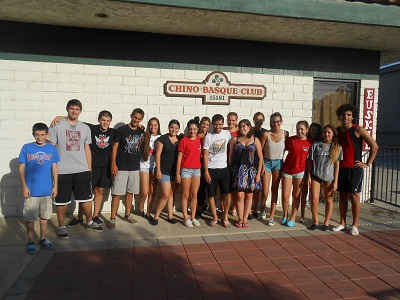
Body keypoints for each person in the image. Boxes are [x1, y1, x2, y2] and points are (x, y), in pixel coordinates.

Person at [49, 99, 103, 239]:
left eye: (77, 109)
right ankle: (61, 227)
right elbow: (50, 147)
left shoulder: (85, 128)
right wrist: (52, 167)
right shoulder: (57, 125)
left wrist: (89, 168)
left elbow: (87, 148)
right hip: (62, 170)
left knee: (86, 198)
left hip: (81, 170)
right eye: (72, 109)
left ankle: (90, 221)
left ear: (80, 111)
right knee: (62, 201)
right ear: (67, 109)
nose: (74, 111)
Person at [53, 111, 116, 226]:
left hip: (105, 166)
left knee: (100, 191)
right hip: (90, 165)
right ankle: (80, 217)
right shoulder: (90, 128)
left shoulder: (113, 132)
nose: (105, 123)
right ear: (98, 120)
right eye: (103, 120)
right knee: (85, 193)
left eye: (108, 121)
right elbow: (73, 119)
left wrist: (141, 126)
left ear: (111, 121)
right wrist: (59, 116)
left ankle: (95, 216)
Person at [333, 104, 379, 236]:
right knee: (341, 196)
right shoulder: (337, 131)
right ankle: (342, 223)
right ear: (340, 116)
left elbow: (374, 146)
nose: (346, 117)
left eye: (348, 115)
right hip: (341, 168)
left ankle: (355, 225)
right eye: (343, 115)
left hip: (354, 169)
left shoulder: (358, 129)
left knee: (354, 197)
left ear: (353, 116)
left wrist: (367, 163)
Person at [18, 123, 60, 254]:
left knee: (45, 217)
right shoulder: (27, 148)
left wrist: (55, 185)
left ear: (47, 135)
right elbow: (21, 167)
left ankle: (42, 239)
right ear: (33, 134)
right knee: (30, 218)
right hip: (31, 191)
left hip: (47, 190)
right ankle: (30, 242)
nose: (40, 137)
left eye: (42, 134)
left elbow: (54, 167)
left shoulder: (52, 149)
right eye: (37, 134)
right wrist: (24, 186)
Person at [108, 108, 145, 229]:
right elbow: (115, 147)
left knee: (130, 192)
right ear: (131, 116)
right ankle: (112, 218)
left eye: (139, 119)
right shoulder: (121, 130)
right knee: (117, 193)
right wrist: (113, 164)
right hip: (121, 167)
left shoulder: (141, 131)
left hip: (134, 167)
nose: (136, 120)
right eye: (135, 117)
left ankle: (127, 215)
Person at [229, 119, 263, 228]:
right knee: (239, 195)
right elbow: (230, 157)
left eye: (244, 126)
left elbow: (260, 157)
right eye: (241, 126)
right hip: (238, 172)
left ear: (249, 127)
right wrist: (232, 170)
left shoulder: (255, 140)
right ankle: (239, 218)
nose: (242, 128)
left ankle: (245, 219)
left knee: (249, 195)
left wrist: (258, 174)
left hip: (252, 172)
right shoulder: (234, 140)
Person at [307, 125, 342, 231]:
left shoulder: (337, 147)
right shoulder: (316, 145)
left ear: (333, 134)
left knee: (328, 200)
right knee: (314, 200)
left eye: (329, 132)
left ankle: (326, 222)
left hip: (329, 177)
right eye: (325, 132)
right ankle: (316, 221)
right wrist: (309, 175)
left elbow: (337, 165)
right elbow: (310, 161)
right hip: (316, 175)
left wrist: (335, 181)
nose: (326, 134)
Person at [259, 112, 289, 226]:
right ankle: (262, 207)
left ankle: (271, 216)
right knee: (265, 190)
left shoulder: (285, 134)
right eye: (273, 121)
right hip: (267, 162)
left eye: (277, 121)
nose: (275, 124)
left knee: (274, 189)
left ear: (281, 122)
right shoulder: (266, 135)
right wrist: (261, 165)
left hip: (278, 163)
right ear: (270, 122)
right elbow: (260, 152)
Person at [203, 114, 232, 227]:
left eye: (220, 124)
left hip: (224, 169)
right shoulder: (208, 136)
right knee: (211, 195)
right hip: (211, 169)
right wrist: (206, 172)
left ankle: (225, 216)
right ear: (212, 124)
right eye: (215, 124)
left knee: (227, 194)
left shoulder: (226, 133)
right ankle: (215, 216)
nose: (218, 127)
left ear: (223, 124)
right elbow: (205, 155)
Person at [150, 120, 181, 225]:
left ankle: (170, 216)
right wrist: (158, 170)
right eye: (172, 127)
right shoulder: (162, 139)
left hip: (175, 172)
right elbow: (157, 155)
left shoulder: (179, 139)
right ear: (168, 127)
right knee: (165, 195)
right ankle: (156, 217)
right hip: (164, 171)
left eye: (176, 128)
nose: (174, 130)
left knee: (172, 194)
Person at [283, 121, 312, 227]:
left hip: (300, 172)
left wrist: (308, 175)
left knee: (296, 195)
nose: (299, 131)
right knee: (285, 196)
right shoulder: (291, 140)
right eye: (298, 129)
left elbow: (309, 160)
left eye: (302, 129)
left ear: (307, 130)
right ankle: (285, 215)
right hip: (287, 170)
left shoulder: (310, 142)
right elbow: (282, 150)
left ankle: (293, 217)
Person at [176, 119, 202, 227]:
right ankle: (185, 217)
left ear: (197, 130)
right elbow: (179, 157)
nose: (192, 131)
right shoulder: (184, 140)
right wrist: (177, 173)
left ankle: (193, 216)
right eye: (190, 129)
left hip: (197, 170)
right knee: (185, 194)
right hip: (186, 170)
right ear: (188, 130)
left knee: (194, 194)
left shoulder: (200, 140)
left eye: (194, 129)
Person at [299, 122, 323, 223]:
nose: (314, 132)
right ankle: (302, 215)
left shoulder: (320, 143)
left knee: (314, 196)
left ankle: (315, 217)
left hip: (316, 171)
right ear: (309, 130)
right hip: (304, 169)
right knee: (303, 193)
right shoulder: (307, 141)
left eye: (316, 130)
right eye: (313, 129)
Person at [138, 117, 161, 219]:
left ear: (158, 126)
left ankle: (148, 212)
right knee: (144, 192)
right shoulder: (143, 136)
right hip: (144, 166)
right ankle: (140, 207)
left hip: (155, 167)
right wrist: (139, 126)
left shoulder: (161, 138)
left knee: (152, 192)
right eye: (151, 125)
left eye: (155, 125)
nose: (153, 127)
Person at [251, 112, 268, 219]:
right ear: (253, 120)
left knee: (257, 187)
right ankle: (248, 209)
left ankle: (256, 208)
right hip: (250, 160)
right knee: (248, 186)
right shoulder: (250, 130)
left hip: (261, 161)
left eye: (261, 119)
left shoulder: (265, 132)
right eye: (257, 119)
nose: (259, 121)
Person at [224, 112, 239, 216]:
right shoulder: (223, 131)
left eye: (233, 120)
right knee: (224, 187)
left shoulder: (239, 132)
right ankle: (223, 206)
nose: (231, 122)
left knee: (235, 186)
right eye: (229, 120)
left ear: (236, 121)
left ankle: (234, 206)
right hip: (223, 162)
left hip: (236, 163)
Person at [195, 116, 211, 219]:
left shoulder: (210, 136)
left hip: (207, 166)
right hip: (196, 165)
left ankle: (201, 207)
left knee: (204, 189)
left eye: (207, 125)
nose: (205, 126)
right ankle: (198, 208)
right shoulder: (195, 136)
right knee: (197, 189)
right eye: (203, 124)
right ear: (200, 124)